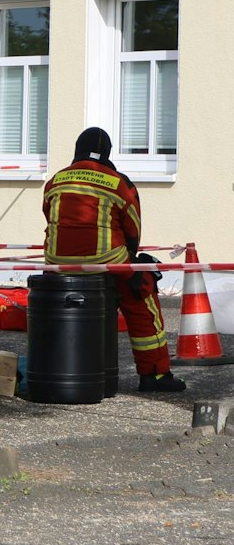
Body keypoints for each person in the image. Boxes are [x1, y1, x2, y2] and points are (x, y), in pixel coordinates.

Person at [43, 127, 183, 392]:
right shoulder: (118, 183)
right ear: (107, 153)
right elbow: (133, 229)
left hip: (57, 263)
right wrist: (132, 260)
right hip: (106, 262)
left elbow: (48, 215)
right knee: (142, 295)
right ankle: (154, 375)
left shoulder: (55, 180)